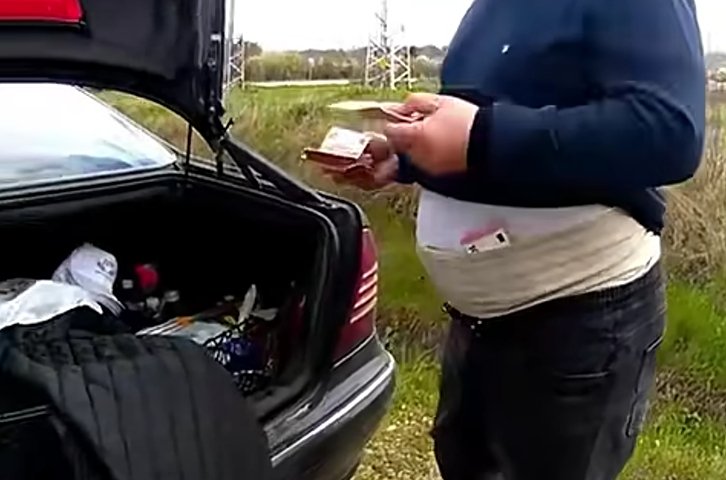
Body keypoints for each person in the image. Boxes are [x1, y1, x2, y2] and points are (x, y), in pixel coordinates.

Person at [323, 0, 706, 479]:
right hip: (476, 324)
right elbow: (487, 129)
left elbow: (670, 132)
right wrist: (406, 159)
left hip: (579, 323)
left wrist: (481, 135)